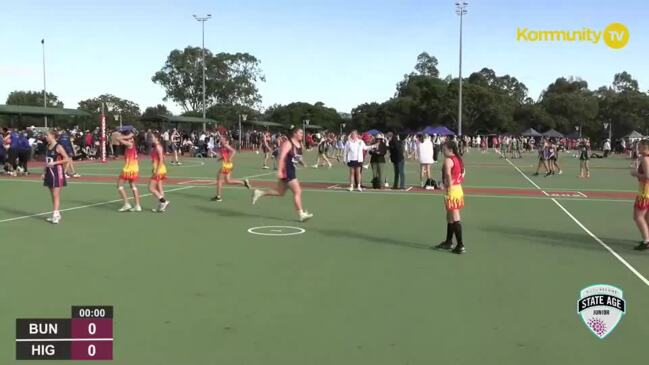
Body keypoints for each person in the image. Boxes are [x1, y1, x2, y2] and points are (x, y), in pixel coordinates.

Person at [251, 127, 313, 222]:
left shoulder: (299, 144)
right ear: (295, 133)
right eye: (300, 133)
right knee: (297, 191)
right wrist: (279, 170)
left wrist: (302, 162)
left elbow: (296, 156)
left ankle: (259, 193)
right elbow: (281, 157)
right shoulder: (288, 143)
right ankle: (301, 214)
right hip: (287, 171)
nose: (302, 134)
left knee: (280, 192)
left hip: (291, 170)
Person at [435, 141, 466, 254]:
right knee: (449, 216)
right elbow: (463, 173)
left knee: (455, 215)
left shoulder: (449, 160)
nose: (443, 151)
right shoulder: (458, 159)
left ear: (450, 149)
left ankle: (460, 245)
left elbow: (448, 174)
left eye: (444, 149)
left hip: (452, 189)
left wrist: (448, 186)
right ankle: (449, 241)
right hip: (457, 188)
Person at [42, 130, 71, 224]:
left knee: (56, 194)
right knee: (52, 195)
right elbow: (47, 161)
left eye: (47, 135)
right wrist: (44, 172)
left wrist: (55, 162)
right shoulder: (47, 146)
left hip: (57, 172)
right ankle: (56, 213)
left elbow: (67, 159)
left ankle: (55, 215)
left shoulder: (58, 147)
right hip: (49, 172)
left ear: (52, 136)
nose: (46, 137)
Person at [211, 136, 251, 202]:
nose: (221, 139)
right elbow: (226, 155)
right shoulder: (223, 145)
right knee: (228, 181)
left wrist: (230, 158)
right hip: (228, 165)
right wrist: (220, 159)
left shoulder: (225, 145)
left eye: (222, 138)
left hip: (226, 165)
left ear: (225, 140)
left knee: (219, 180)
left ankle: (218, 197)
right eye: (220, 138)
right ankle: (243, 182)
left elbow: (234, 151)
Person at [115, 131, 142, 212]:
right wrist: (128, 136)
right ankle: (137, 205)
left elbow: (117, 138)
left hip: (128, 169)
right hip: (134, 169)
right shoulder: (131, 146)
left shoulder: (130, 145)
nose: (128, 140)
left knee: (119, 186)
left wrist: (128, 136)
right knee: (133, 186)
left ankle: (126, 204)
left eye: (130, 138)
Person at [631, 140, 649, 250]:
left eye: (640, 146)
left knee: (638, 216)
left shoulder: (645, 159)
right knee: (646, 217)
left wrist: (635, 174)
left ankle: (646, 240)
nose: (638, 148)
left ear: (645, 147)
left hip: (645, 192)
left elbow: (647, 176)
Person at [149, 133, 170, 212]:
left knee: (151, 188)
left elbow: (161, 159)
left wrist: (157, 170)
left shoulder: (158, 147)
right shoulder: (155, 147)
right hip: (158, 169)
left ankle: (164, 201)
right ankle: (162, 206)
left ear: (157, 138)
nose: (151, 139)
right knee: (159, 188)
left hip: (159, 170)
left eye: (152, 137)